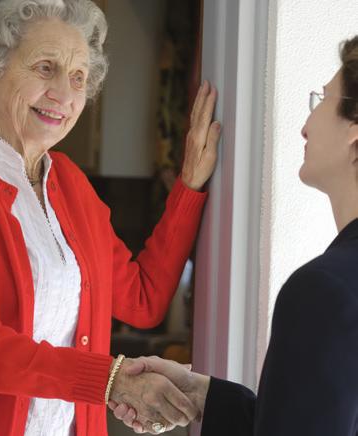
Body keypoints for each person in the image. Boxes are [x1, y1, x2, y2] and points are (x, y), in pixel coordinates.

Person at [0, 1, 222, 435]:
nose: (64, 94)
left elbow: (142, 298)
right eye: (45, 68)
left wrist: (189, 185)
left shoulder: (72, 185)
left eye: (78, 78)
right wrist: (109, 382)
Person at [109, 36, 358, 436]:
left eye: (323, 100)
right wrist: (203, 392)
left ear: (354, 129)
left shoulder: (324, 291)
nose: (306, 125)